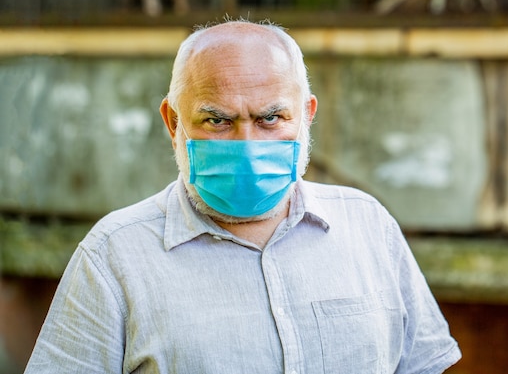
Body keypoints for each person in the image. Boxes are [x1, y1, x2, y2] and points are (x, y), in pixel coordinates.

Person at [25, 20, 461, 373]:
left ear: (306, 115)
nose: (246, 143)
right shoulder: (114, 256)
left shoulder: (368, 226)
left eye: (271, 117)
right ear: (174, 123)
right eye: (217, 121)